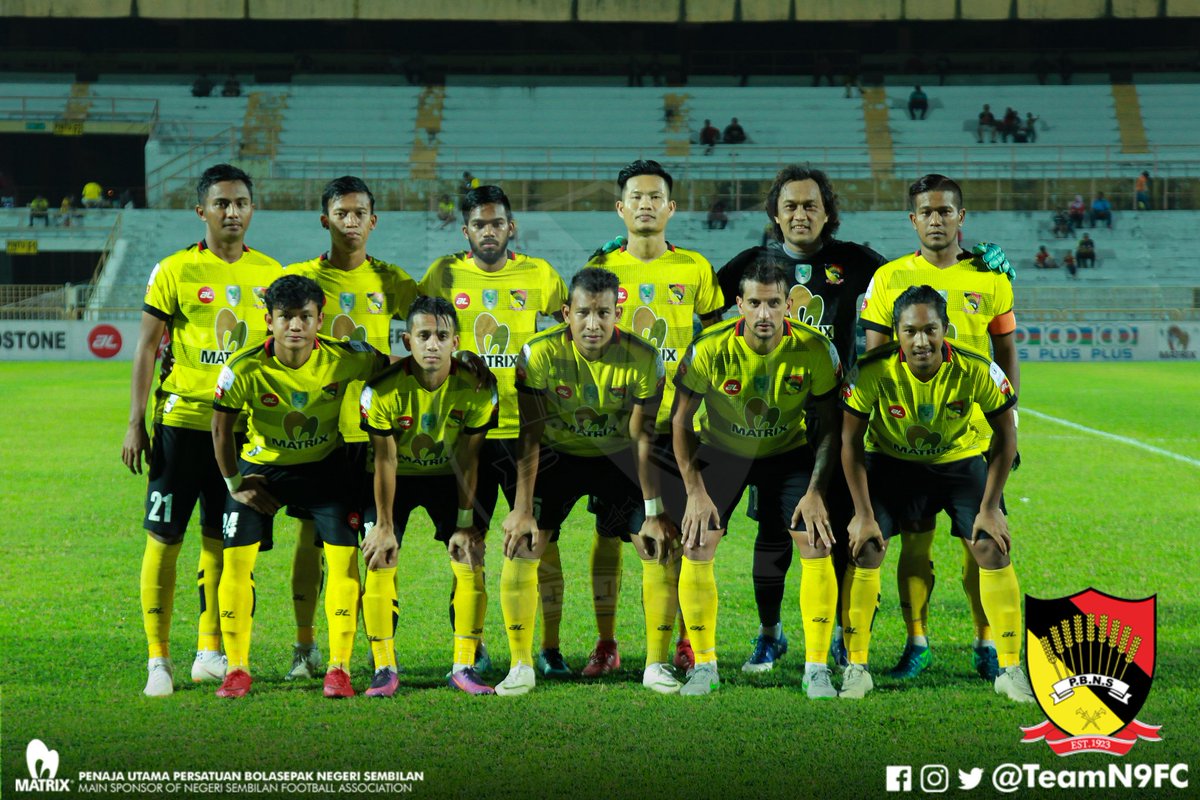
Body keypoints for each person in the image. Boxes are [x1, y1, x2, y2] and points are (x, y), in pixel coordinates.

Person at [713, 166, 1014, 673]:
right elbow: (700, 305)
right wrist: (616, 261)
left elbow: (919, 279)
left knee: (842, 535)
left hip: (840, 424)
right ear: (774, 213)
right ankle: (771, 633)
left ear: (827, 211)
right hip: (775, 429)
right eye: (790, 206)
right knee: (773, 534)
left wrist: (983, 260)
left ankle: (844, 638)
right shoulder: (749, 263)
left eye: (811, 205)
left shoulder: (860, 263)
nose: (801, 214)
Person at [121, 164, 283, 697]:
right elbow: (146, 347)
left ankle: (208, 649)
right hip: (181, 427)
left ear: (252, 210)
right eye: (221, 203)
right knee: (164, 540)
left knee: (223, 542)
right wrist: (135, 423)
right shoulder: (174, 269)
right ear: (202, 211)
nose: (231, 212)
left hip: (242, 434)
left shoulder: (271, 274)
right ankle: (157, 660)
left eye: (240, 202)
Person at [858, 173, 1019, 684]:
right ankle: (917, 640)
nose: (936, 219)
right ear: (913, 220)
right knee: (913, 545)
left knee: (982, 541)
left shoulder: (990, 277)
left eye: (945, 211)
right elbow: (874, 353)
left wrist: (1009, 418)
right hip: (902, 441)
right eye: (926, 212)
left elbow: (1006, 350)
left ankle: (986, 642)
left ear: (961, 217)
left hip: (970, 438)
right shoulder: (888, 279)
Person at [839, 285, 1033, 704]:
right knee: (866, 546)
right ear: (896, 332)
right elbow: (850, 443)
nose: (921, 341)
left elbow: (1006, 436)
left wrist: (991, 507)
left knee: (991, 547)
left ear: (946, 329)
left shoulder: (977, 368)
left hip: (959, 463)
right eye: (910, 331)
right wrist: (862, 513)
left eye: (930, 330)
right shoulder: (872, 369)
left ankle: (1011, 668)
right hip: (892, 463)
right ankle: (857, 668)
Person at [497, 268, 680, 696]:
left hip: (619, 457)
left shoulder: (644, 357)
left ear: (619, 312)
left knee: (654, 545)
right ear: (566, 313)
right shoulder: (537, 354)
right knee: (524, 543)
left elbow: (642, 436)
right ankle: (520, 665)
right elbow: (530, 433)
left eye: (603, 313)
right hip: (558, 457)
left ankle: (655, 664)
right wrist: (522, 509)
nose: (593, 324)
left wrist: (653, 513)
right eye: (583, 313)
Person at [211, 275, 389, 698]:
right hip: (262, 471)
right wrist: (235, 484)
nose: (295, 326)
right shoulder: (244, 368)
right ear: (269, 320)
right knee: (236, 561)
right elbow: (220, 431)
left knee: (344, 562)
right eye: (286, 317)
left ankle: (338, 668)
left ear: (319, 319)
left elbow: (397, 366)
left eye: (305, 317)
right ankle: (237, 669)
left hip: (326, 468)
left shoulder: (344, 357)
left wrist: (459, 364)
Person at [672, 260, 842, 697]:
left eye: (773, 304)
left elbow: (829, 426)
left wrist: (817, 490)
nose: (764, 314)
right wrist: (694, 491)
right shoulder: (708, 348)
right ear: (738, 305)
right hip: (723, 452)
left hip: (787, 454)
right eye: (754, 303)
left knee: (815, 537)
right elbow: (680, 422)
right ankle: (705, 666)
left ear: (789, 304)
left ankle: (817, 668)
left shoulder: (817, 349)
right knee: (696, 538)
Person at [417, 185, 567, 677]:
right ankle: (473, 645)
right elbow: (425, 333)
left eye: (497, 223)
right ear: (466, 231)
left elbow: (569, 325)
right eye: (479, 225)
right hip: (467, 432)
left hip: (527, 432)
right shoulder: (443, 273)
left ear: (511, 227)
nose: (488, 231)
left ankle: (548, 647)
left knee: (541, 541)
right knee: (469, 539)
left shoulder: (540, 275)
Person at [586, 159, 724, 676]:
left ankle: (686, 640)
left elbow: (715, 334)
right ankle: (606, 641)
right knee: (613, 531)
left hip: (683, 424)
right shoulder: (602, 267)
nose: (645, 204)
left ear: (671, 207)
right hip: (621, 425)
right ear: (620, 208)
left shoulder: (694, 267)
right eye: (635, 197)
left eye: (655, 197)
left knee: (687, 534)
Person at [282, 176, 417, 680]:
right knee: (310, 537)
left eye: (360, 213)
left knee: (382, 540)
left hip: (375, 435)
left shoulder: (394, 282)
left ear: (373, 221)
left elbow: (431, 327)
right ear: (326, 220)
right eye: (342, 213)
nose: (352, 221)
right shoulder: (300, 278)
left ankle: (379, 653)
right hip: (321, 433)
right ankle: (305, 645)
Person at [360, 295, 499, 697]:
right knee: (379, 555)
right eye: (424, 336)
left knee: (469, 555)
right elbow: (384, 459)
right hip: (394, 477)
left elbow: (470, 460)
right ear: (407, 340)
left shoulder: (477, 387)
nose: (432, 344)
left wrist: (464, 522)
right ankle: (384, 667)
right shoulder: (381, 391)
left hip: (449, 477)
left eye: (442, 336)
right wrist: (384, 525)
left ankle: (464, 665)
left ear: (457, 341)